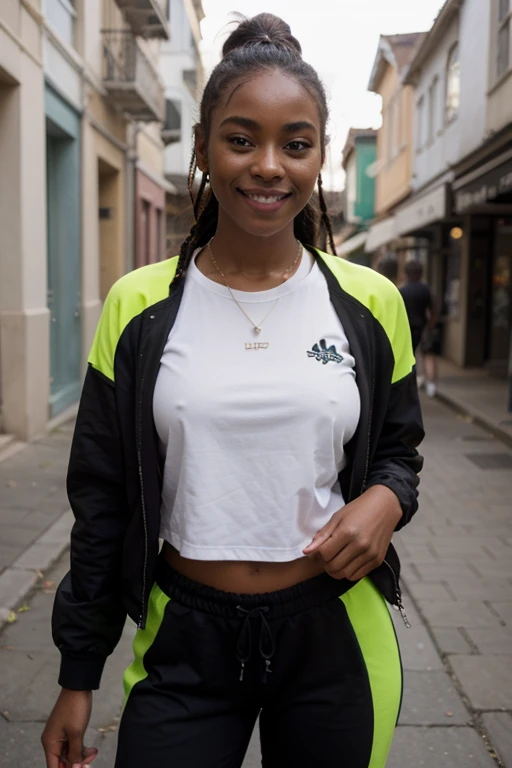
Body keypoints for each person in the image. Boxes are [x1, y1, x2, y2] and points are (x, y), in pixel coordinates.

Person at [42, 14, 424, 768]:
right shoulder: (138, 306)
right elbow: (101, 499)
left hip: (336, 635)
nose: (269, 166)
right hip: (186, 637)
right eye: (242, 139)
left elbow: (397, 453)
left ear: (318, 156)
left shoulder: (372, 302)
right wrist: (77, 673)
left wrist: (387, 499)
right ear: (204, 150)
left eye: (297, 143)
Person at [399, 259, 438, 397]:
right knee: (428, 356)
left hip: (406, 328)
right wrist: (430, 326)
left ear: (406, 274)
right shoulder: (425, 289)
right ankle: (431, 385)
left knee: (408, 356)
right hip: (423, 326)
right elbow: (433, 310)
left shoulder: (402, 291)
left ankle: (409, 383)